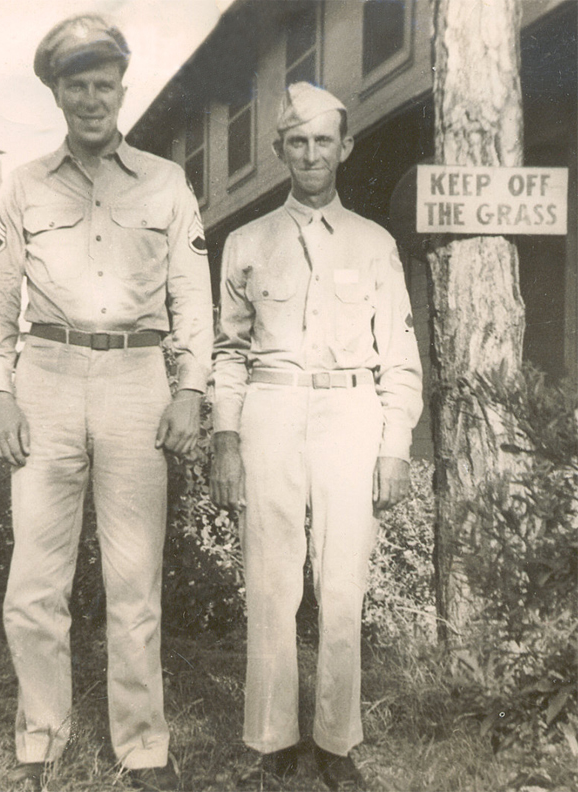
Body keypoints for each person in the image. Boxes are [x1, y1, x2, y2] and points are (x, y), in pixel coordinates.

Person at [0, 14, 212, 792]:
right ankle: (40, 739)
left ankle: (142, 746)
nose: (90, 97)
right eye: (74, 85)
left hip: (137, 382)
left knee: (133, 581)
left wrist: (190, 391)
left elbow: (192, 300)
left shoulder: (165, 184)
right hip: (45, 377)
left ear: (121, 85)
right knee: (35, 583)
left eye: (102, 83)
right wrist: (0, 394)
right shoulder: (24, 187)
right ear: (56, 92)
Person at [210, 82, 422, 791]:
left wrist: (394, 447)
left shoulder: (374, 242)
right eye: (296, 142)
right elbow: (229, 354)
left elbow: (398, 354)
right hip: (271, 410)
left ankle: (335, 742)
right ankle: (271, 740)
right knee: (269, 584)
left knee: (342, 584)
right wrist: (226, 439)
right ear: (277, 151)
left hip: (349, 416)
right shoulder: (246, 242)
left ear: (345, 147)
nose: (310, 154)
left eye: (323, 140)